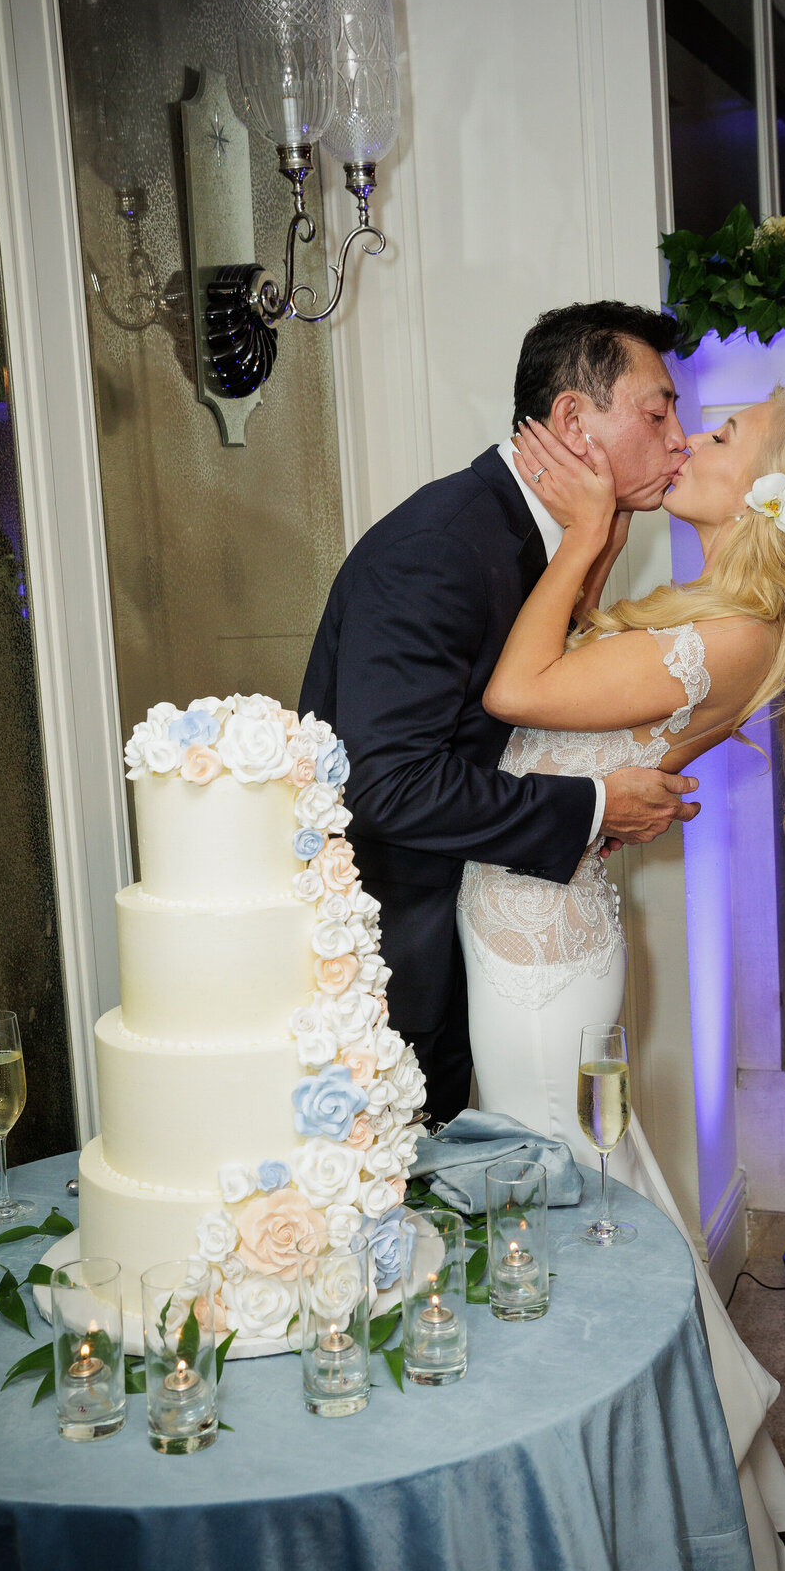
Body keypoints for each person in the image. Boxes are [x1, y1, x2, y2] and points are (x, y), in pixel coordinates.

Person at [457, 383, 785, 1571]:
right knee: (591, 1197)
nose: (688, 440)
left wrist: (590, 532)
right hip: (540, 925)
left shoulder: (741, 632)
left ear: (769, 497)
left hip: (542, 950)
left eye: (720, 437)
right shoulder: (709, 612)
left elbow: (518, 698)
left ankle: (620, 1519)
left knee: (565, 1208)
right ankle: (682, 1499)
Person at [299, 301, 701, 1123]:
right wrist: (593, 805)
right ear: (572, 421)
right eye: (658, 413)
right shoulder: (440, 547)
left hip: (481, 938)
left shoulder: (548, 536)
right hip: (397, 958)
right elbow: (385, 784)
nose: (679, 439)